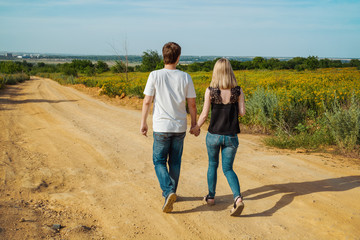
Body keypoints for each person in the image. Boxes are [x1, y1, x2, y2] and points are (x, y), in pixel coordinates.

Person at [140, 42, 197, 213]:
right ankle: (171, 192)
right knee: (175, 162)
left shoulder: (154, 75)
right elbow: (192, 105)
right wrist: (194, 124)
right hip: (179, 127)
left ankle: (168, 191)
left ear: (163, 56)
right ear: (178, 57)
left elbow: (147, 101)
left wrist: (143, 122)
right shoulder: (186, 77)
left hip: (161, 126)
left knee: (158, 161)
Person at [190, 58, 246, 216]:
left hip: (213, 135)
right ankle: (238, 199)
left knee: (212, 165)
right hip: (231, 136)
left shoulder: (211, 91)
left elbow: (204, 114)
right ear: (230, 71)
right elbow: (242, 112)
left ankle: (211, 197)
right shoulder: (238, 91)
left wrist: (196, 128)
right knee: (228, 169)